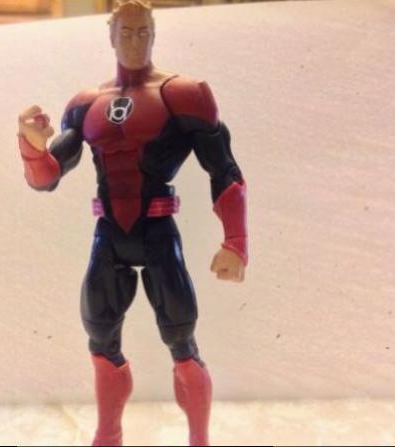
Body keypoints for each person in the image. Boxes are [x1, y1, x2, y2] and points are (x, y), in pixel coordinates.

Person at [17, 1, 248, 445]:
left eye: (143, 32)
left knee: (182, 342)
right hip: (109, 235)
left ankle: (199, 440)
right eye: (126, 32)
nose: (135, 41)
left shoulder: (184, 94)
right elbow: (47, 178)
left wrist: (235, 242)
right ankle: (108, 436)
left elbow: (224, 169)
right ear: (110, 36)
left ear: (154, 34)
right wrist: (31, 146)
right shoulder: (86, 104)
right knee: (100, 340)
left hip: (158, 231)